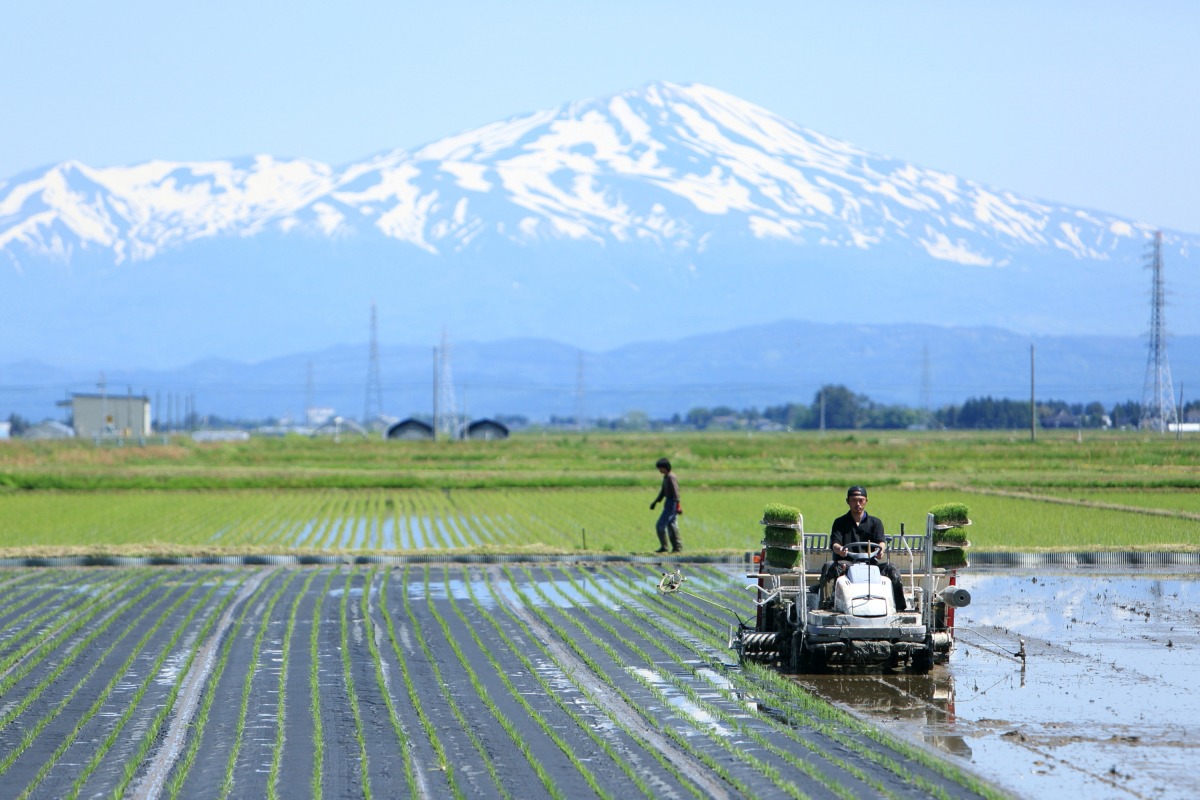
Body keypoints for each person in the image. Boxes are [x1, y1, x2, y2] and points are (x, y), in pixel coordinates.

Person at [810, 485, 907, 611]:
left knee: (892, 569)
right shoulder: (839, 522)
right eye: (854, 500)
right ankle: (827, 606)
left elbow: (881, 542)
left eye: (861, 500)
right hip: (847, 563)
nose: (857, 504)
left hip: (870, 564)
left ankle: (900, 608)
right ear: (848, 502)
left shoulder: (875, 523)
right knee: (829, 567)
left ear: (866, 501)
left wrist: (880, 550)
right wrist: (840, 550)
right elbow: (835, 543)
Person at [649, 457, 682, 553]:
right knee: (671, 525)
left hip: (672, 503)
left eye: (660, 468)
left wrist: (678, 506)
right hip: (668, 502)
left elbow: (676, 492)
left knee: (660, 525)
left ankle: (665, 547)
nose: (659, 470)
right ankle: (677, 547)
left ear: (665, 467)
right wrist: (655, 502)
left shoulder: (671, 477)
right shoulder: (666, 477)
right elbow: (663, 492)